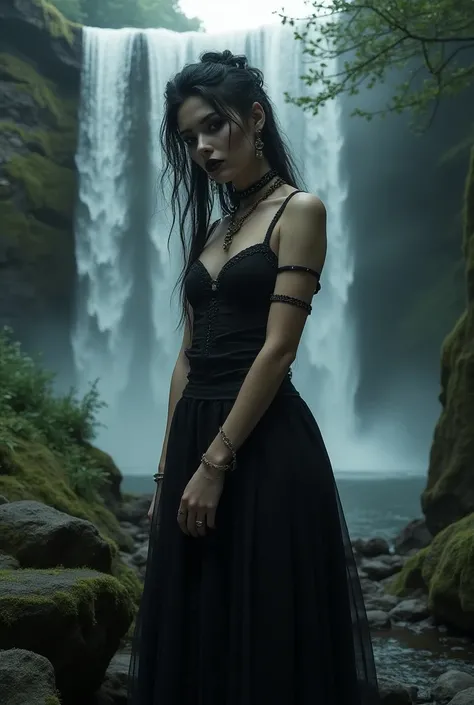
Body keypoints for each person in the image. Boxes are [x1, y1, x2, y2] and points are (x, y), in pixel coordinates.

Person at [128, 49, 379, 705]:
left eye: (214, 126)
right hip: (195, 436)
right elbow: (186, 356)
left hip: (261, 444)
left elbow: (277, 351)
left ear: (257, 117)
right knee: (200, 626)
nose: (203, 147)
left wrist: (216, 461)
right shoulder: (212, 229)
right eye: (190, 137)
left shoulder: (301, 210)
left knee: (262, 625)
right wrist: (166, 474)